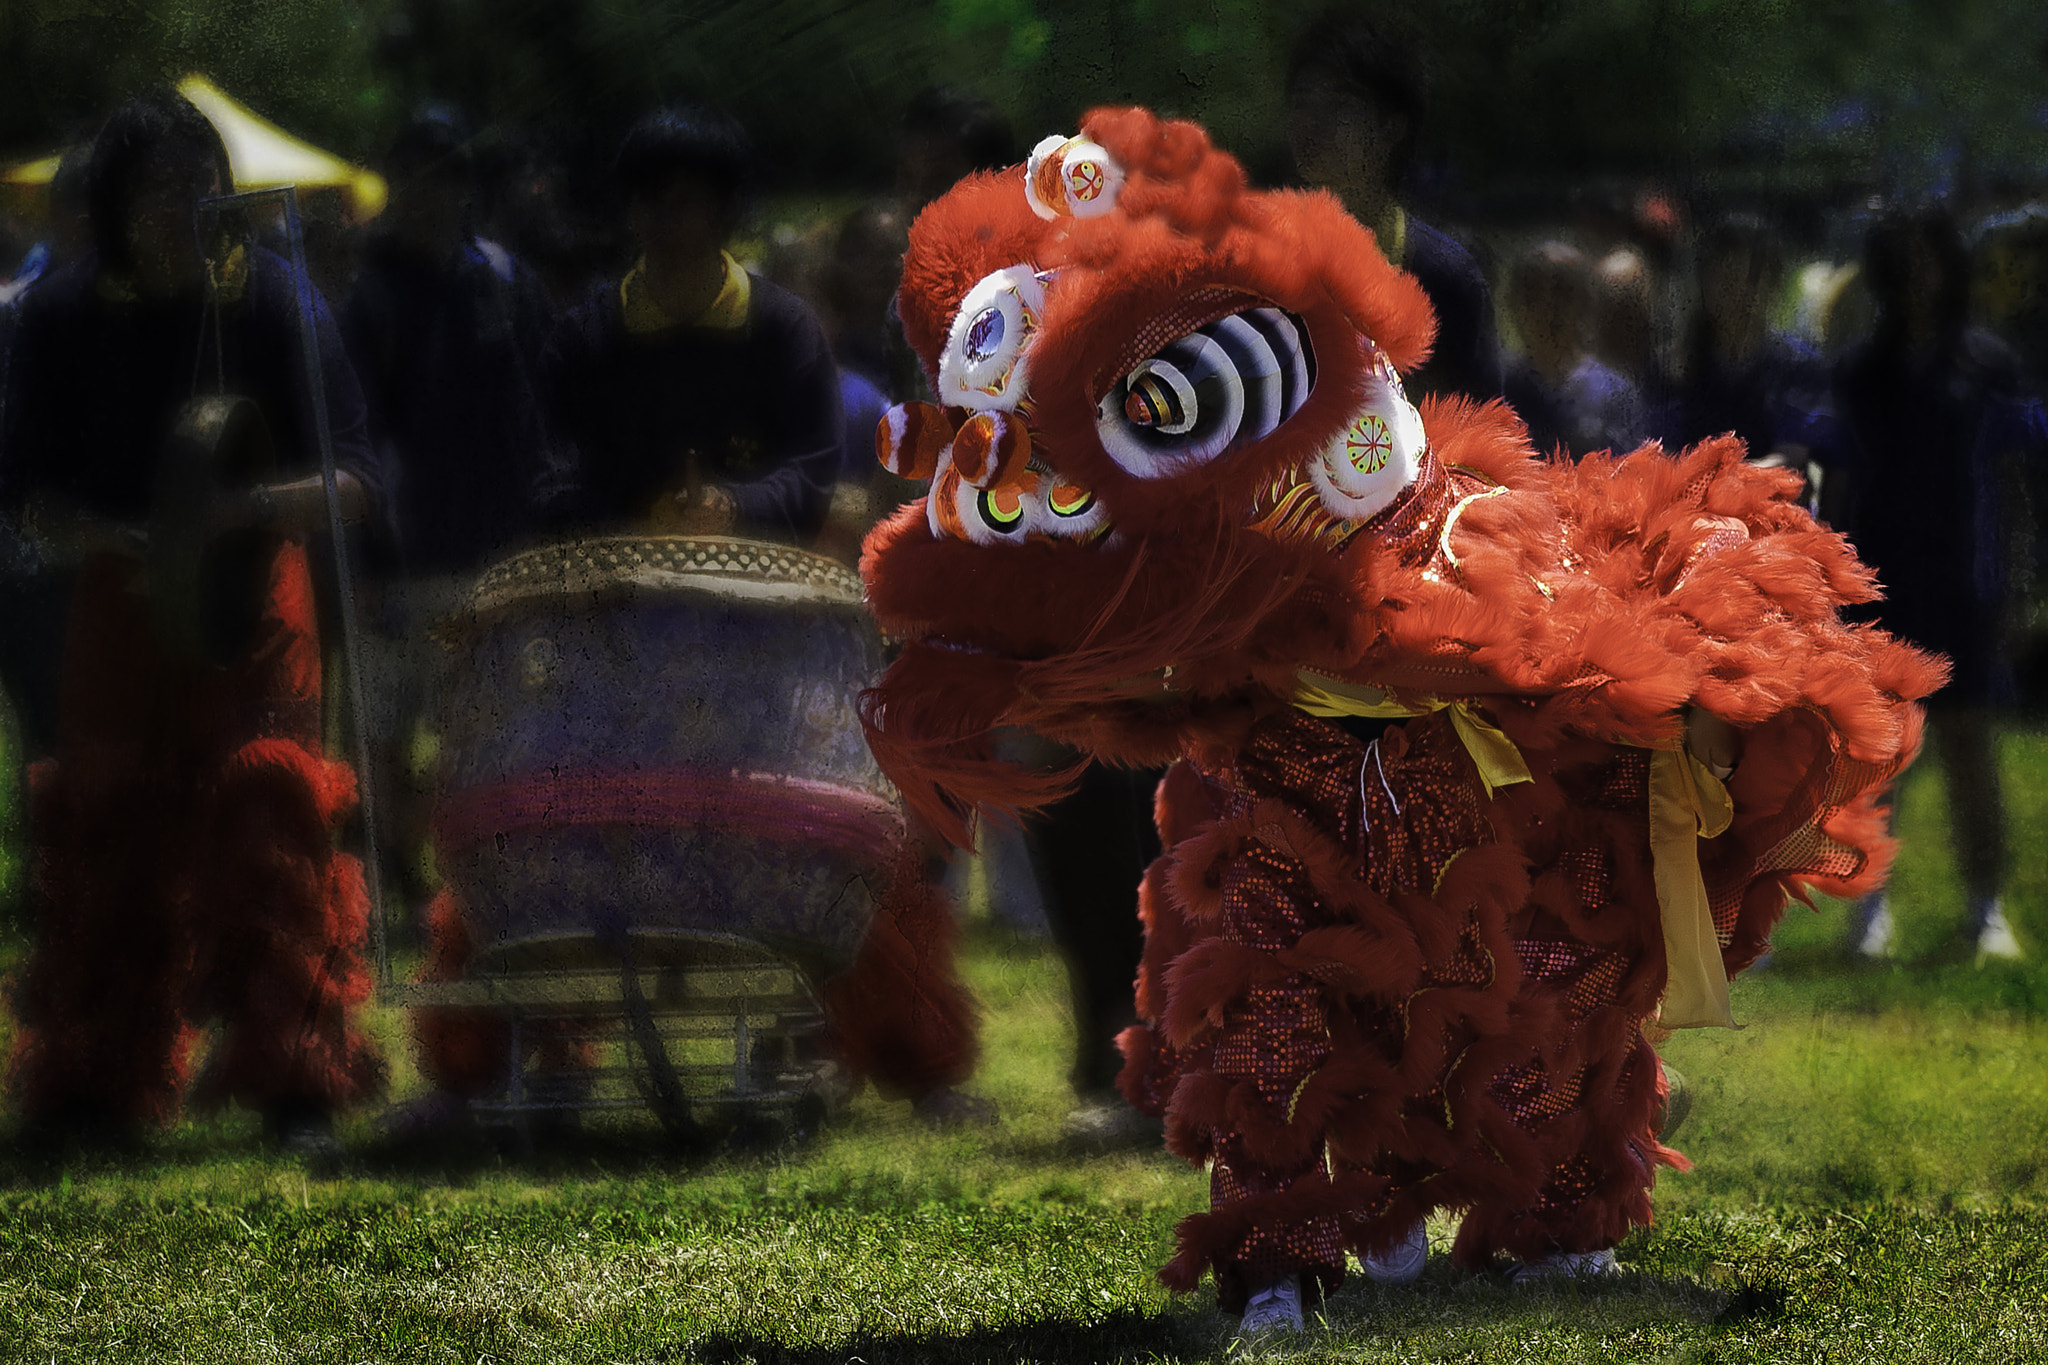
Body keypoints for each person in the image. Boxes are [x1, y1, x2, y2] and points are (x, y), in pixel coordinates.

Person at [858, 106, 1933, 1338]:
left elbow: (1535, 620)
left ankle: (1547, 1209)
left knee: (1534, 974)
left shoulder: (1422, 507)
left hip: (1456, 749)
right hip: (1277, 766)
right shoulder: (1110, 451)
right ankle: (1276, 1251)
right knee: (1269, 993)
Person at [0, 88, 388, 1150]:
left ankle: (294, 1078)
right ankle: (95, 1082)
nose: (182, 202)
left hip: (257, 589)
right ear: (114, 205)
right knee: (110, 815)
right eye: (158, 185)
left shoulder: (273, 301)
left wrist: (240, 508)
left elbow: (353, 477)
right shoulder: (63, 312)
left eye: (198, 181)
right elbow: (27, 488)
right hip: (122, 597)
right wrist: (111, 535)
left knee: (268, 803)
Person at [342, 109, 559, 901]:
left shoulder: (505, 281)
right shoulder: (370, 296)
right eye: (414, 172)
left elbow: (547, 411)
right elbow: (352, 438)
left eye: (444, 171)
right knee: (388, 736)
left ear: (464, 182)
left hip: (497, 554)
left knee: (489, 732)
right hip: (400, 561)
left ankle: (476, 885)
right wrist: (361, 563)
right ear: (393, 182)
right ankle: (398, 875)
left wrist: (548, 531)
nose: (429, 188)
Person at [1835, 204, 2042, 961]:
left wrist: (2020, 586)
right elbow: (1841, 487)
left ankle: (1986, 909)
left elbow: (2017, 482)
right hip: (1884, 580)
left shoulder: (1989, 364)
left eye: (1930, 256)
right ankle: (1870, 909)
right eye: (1903, 259)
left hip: (1967, 581)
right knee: (1877, 752)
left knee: (1968, 748)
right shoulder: (1861, 371)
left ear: (1949, 265)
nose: (1919, 273)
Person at [539, 105, 841, 543]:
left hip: (757, 582)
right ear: (628, 211)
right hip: (616, 585)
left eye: (684, 202)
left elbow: (813, 471)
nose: (664, 220)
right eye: (649, 199)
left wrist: (736, 504)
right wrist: (641, 517)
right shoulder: (580, 338)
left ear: (725, 211)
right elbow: (549, 476)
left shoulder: (786, 329)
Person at [1286, 2, 1503, 404]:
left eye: (1338, 107)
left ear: (1392, 126)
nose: (1312, 123)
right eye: (1302, 102)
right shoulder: (1261, 264)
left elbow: (1483, 435)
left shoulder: (1448, 281)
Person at [1667, 214, 1843, 520]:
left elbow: (1789, 461)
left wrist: (1712, 482)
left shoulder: (1799, 367)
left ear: (1771, 284)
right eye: (1724, 276)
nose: (1736, 291)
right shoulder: (1674, 367)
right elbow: (1662, 455)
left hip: (1774, 529)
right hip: (1689, 527)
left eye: (1749, 277)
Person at [1502, 239, 1654, 459]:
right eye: (1532, 293)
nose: (1547, 309)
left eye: (1562, 293)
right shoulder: (1497, 389)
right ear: (1512, 303)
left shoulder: (1614, 394)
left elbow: (1627, 478)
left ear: (1585, 304)